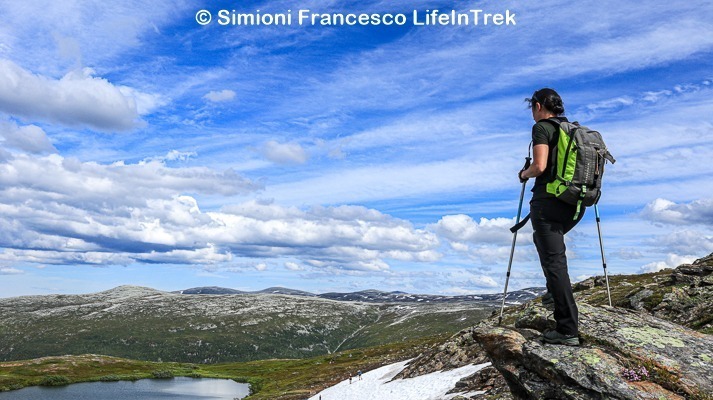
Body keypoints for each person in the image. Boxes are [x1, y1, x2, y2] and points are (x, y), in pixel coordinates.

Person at [518, 88, 582, 346]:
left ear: (537, 105)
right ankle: (553, 294)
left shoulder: (542, 128)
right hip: (575, 203)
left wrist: (524, 174)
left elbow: (540, 166)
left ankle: (567, 330)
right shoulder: (575, 130)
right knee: (550, 252)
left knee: (554, 261)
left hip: (548, 202)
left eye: (532, 108)